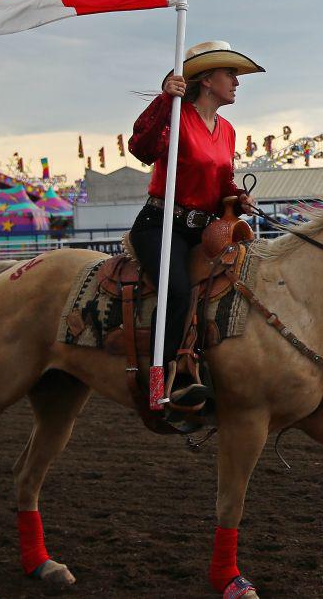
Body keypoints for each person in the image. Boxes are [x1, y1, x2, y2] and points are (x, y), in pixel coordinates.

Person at [127, 40, 262, 406]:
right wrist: (162, 100)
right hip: (161, 224)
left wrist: (237, 197)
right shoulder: (174, 115)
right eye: (230, 74)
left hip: (202, 230)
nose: (237, 82)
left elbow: (223, 182)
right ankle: (160, 384)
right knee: (177, 292)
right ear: (206, 80)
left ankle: (213, 370)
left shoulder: (228, 130)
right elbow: (141, 148)